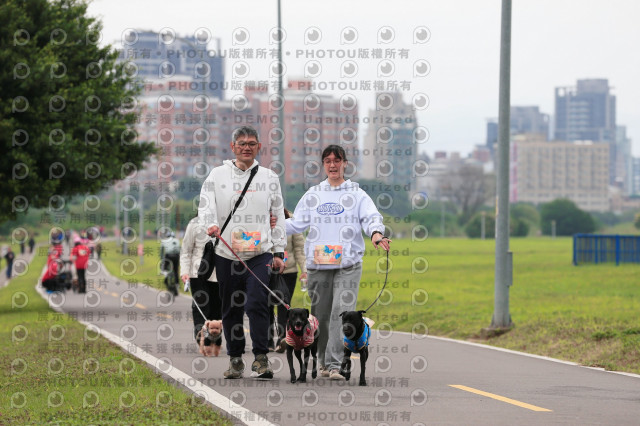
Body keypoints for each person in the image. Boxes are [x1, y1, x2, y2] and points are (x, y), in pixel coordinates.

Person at [285, 145, 391, 380]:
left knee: (339, 314)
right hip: (318, 264)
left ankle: (334, 365)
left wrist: (376, 233)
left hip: (348, 265)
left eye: (337, 160)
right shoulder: (314, 194)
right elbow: (296, 224)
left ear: (345, 163)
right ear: (323, 165)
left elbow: (371, 217)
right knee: (319, 315)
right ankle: (322, 362)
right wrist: (270, 224)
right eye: (328, 161)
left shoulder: (356, 194)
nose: (332, 165)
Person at [198, 125, 286, 380]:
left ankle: (260, 358)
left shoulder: (270, 177)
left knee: (257, 302)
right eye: (242, 143)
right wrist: (210, 225)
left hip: (260, 253)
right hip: (227, 252)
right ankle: (235, 359)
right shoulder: (217, 175)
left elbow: (278, 214)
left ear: (259, 147)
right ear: (233, 147)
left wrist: (279, 251)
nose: (247, 147)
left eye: (252, 143)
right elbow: (205, 205)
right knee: (231, 308)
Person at [180, 215, 223, 357]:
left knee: (217, 308)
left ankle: (215, 340)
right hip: (197, 272)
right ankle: (201, 338)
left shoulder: (228, 219)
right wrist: (185, 271)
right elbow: (186, 249)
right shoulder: (195, 223)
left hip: (221, 273)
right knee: (201, 307)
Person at [270, 208, 308, 353]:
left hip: (288, 271)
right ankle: (267, 340)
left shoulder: (292, 221)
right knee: (266, 305)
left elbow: (299, 248)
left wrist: (304, 270)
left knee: (284, 305)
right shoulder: (260, 219)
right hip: (266, 270)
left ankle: (281, 339)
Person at [160, 231, 181, 296]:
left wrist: (162, 259)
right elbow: (180, 249)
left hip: (168, 256)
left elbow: (161, 251)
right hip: (176, 256)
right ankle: (177, 284)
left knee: (165, 267)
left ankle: (166, 275)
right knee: (176, 270)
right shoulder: (177, 240)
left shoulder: (165, 241)